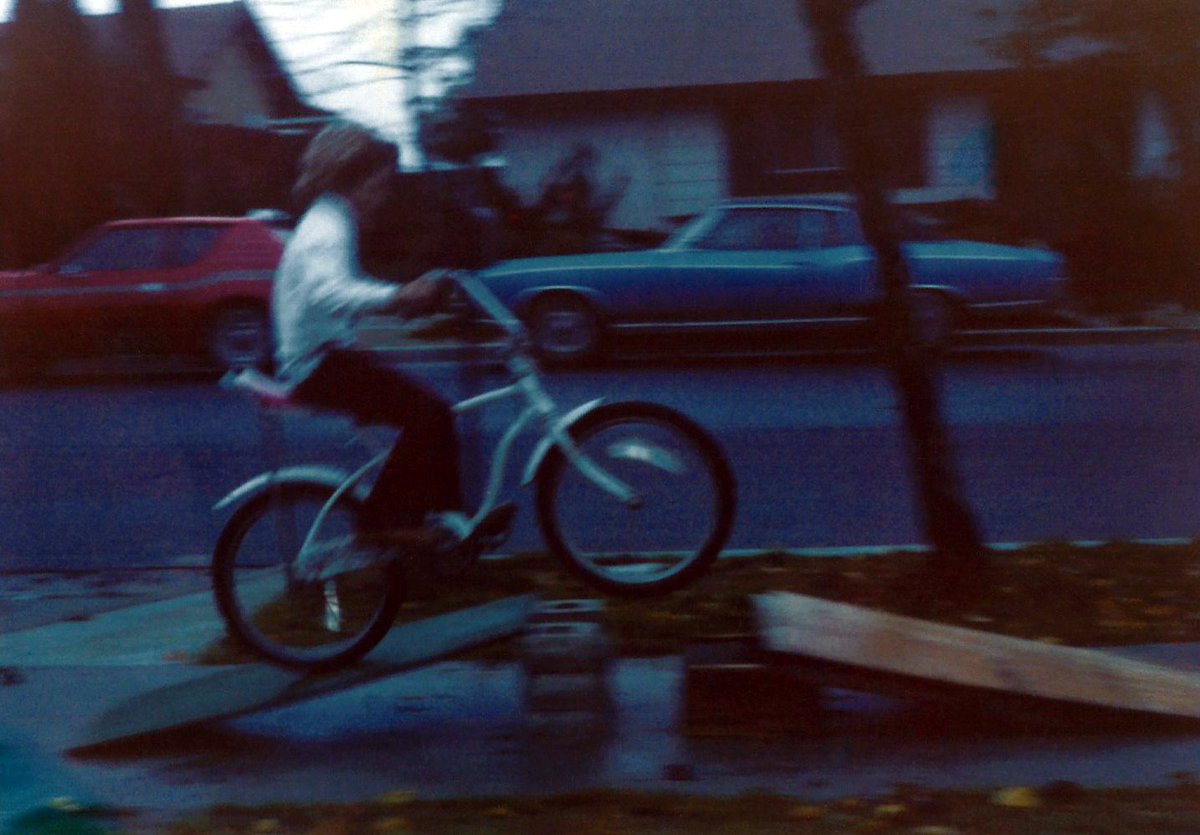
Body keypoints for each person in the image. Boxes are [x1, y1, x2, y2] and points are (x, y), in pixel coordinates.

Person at [272, 119, 511, 551]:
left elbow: (333, 297)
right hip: (316, 365)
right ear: (353, 181)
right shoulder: (328, 227)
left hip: (326, 354)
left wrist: (400, 302)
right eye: (378, 186)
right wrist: (397, 295)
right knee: (428, 414)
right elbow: (329, 292)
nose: (382, 197)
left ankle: (450, 522)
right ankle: (386, 524)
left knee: (434, 415)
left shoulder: (331, 218)